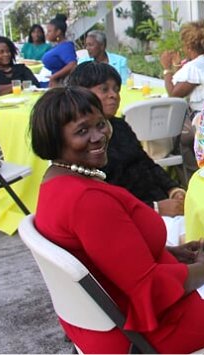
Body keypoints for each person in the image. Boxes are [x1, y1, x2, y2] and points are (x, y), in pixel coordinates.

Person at [29, 86, 204, 353]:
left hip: (106, 319)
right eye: (82, 131)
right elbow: (150, 289)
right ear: (54, 139)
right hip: (135, 332)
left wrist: (172, 253)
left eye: (101, 124)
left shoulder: (56, 181)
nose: (99, 136)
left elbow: (109, 253)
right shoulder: (87, 201)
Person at [68, 61, 186, 245]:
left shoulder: (119, 126)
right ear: (81, 92)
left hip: (158, 204)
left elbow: (145, 162)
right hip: (129, 222)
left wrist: (173, 189)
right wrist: (155, 208)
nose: (113, 95)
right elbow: (103, 199)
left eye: (116, 89)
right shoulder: (81, 143)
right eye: (104, 89)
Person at [159, 21, 204, 179]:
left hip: (202, 121)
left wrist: (166, 68)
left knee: (173, 137)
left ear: (189, 45)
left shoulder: (195, 67)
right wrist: (178, 66)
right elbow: (187, 83)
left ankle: (189, 179)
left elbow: (174, 93)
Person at [0, 36, 39, 102]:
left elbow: (35, 85)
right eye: (1, 52)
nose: (6, 54)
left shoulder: (21, 68)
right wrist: (18, 85)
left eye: (8, 51)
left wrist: (3, 89)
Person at [42, 14, 77, 87]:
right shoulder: (58, 46)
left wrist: (54, 77)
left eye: (49, 31)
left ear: (58, 32)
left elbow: (72, 65)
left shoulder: (66, 46)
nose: (47, 34)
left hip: (59, 84)